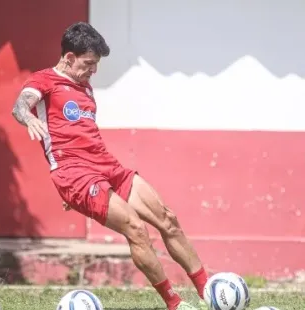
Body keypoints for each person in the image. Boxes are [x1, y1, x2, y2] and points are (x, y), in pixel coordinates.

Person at [12, 21, 208, 310]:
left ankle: (209, 292)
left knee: (168, 219)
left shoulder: (86, 89)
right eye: (89, 63)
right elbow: (20, 105)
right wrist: (29, 118)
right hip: (75, 174)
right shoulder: (44, 81)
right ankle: (174, 304)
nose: (94, 70)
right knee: (136, 228)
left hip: (107, 167)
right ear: (69, 58)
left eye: (96, 64)